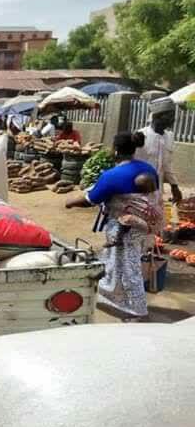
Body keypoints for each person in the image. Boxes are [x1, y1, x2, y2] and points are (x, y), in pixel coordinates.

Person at [66, 132, 163, 321]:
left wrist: (70, 202)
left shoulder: (112, 175)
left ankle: (137, 310)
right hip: (144, 226)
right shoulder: (149, 169)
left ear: (116, 149)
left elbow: (90, 200)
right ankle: (110, 297)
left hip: (125, 226)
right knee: (114, 261)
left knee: (129, 267)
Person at [134, 97, 183, 206]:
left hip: (157, 190)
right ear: (157, 116)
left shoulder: (169, 137)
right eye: (170, 115)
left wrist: (174, 186)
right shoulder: (140, 135)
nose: (173, 119)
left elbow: (167, 164)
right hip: (138, 190)